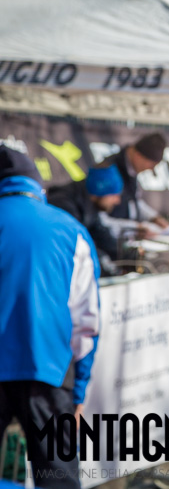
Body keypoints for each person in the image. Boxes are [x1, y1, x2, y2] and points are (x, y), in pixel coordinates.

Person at [0, 146, 101, 489]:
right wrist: (79, 391)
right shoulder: (71, 230)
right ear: (36, 185)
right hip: (50, 371)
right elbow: (87, 321)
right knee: (58, 479)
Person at [48, 164, 125, 274]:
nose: (117, 201)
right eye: (113, 195)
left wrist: (127, 254)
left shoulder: (90, 203)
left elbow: (101, 234)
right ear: (100, 190)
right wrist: (103, 261)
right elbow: (75, 241)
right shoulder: (63, 204)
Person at [101, 132, 169, 228]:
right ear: (138, 156)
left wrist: (154, 217)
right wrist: (135, 227)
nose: (150, 170)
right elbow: (100, 219)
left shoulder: (131, 170)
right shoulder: (109, 170)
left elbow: (135, 202)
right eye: (151, 165)